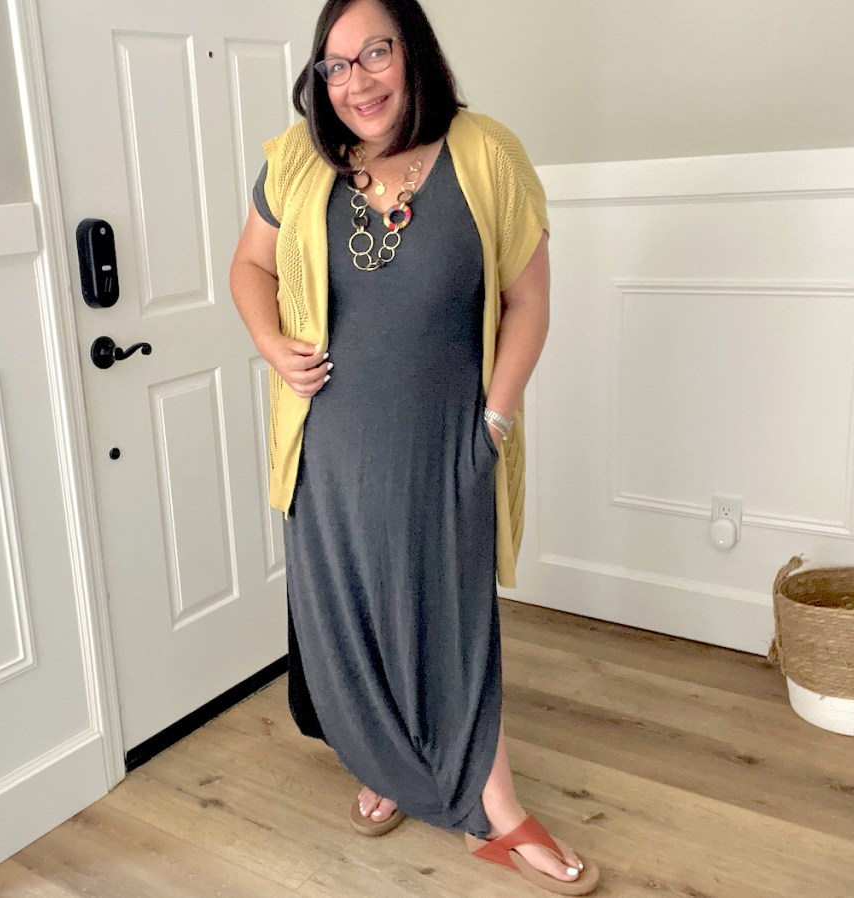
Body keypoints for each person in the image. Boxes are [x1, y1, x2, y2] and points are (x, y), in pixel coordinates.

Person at [230, 1, 599, 893]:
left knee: (450, 613)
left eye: (374, 54)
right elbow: (249, 268)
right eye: (335, 65)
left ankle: (496, 804)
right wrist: (270, 344)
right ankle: (387, 761)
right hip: (330, 443)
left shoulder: (484, 153)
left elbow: (530, 301)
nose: (354, 82)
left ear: (414, 53)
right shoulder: (296, 160)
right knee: (351, 615)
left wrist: (496, 419)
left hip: (444, 438)